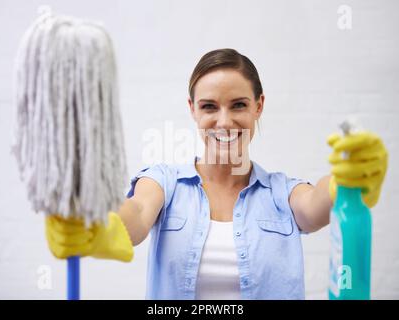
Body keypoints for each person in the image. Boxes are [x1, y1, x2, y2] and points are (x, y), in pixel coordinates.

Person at [46, 48, 388, 299]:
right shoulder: (164, 183)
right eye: (209, 106)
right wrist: (94, 219)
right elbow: (133, 218)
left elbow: (316, 201)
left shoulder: (282, 193)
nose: (224, 121)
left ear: (258, 106)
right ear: (192, 109)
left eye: (238, 104)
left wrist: (349, 182)